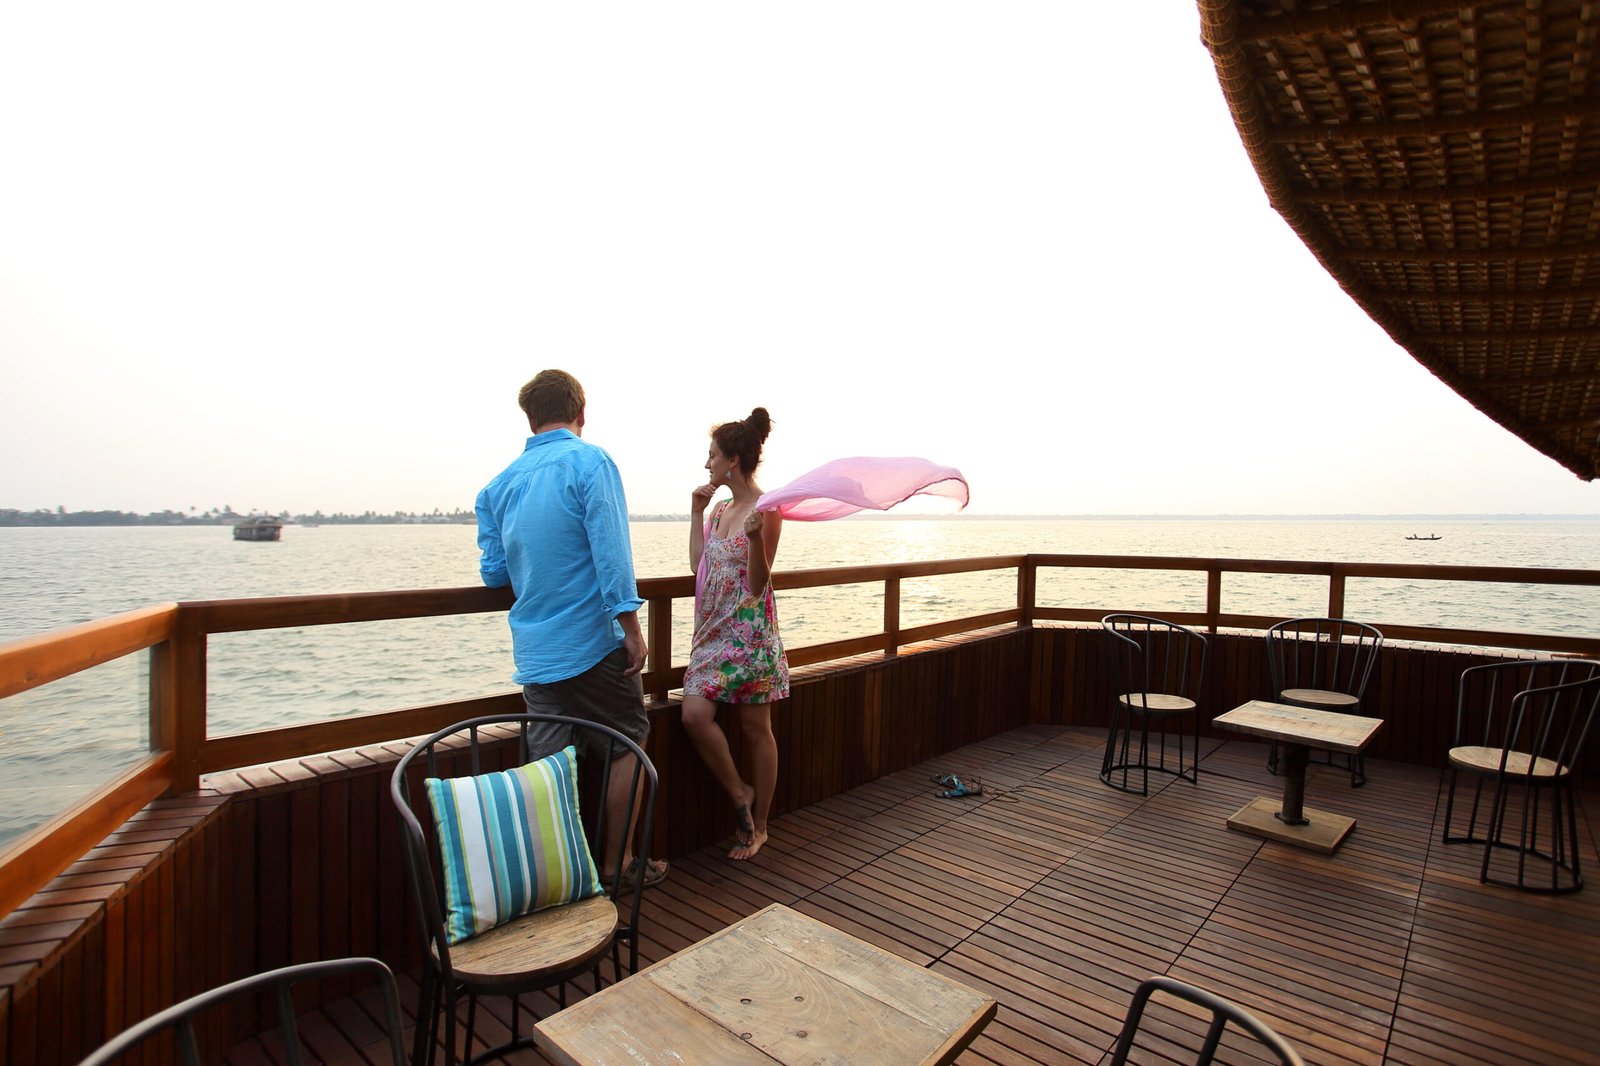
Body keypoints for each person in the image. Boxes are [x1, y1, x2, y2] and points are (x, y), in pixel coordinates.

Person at [475, 369, 667, 890]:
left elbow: (494, 573)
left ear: (530, 418)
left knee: (550, 763)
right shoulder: (590, 462)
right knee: (629, 739)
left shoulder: (496, 489)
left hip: (536, 651)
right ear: (580, 413)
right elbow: (611, 551)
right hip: (593, 644)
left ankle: (558, 880)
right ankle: (618, 865)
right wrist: (631, 626)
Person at [682, 408, 789, 860]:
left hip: (751, 634)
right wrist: (695, 512)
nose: (707, 464)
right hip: (713, 632)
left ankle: (760, 825)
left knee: (755, 728)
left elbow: (758, 583)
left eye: (712, 456)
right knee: (693, 716)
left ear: (733, 460)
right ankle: (738, 790)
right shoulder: (720, 508)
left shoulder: (767, 510)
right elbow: (697, 566)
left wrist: (753, 539)